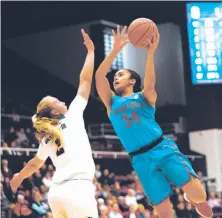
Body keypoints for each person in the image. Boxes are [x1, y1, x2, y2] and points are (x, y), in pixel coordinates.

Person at [95, 25, 213, 218]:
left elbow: (150, 82)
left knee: (200, 195)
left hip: (162, 148)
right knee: (164, 212)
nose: (116, 78)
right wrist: (115, 49)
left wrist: (150, 53)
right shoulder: (111, 103)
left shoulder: (144, 97)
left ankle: (192, 198)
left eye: (121, 75)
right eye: (115, 76)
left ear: (132, 81)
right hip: (140, 158)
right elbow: (99, 76)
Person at [10, 29, 98, 218]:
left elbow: (34, 165)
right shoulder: (72, 115)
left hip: (57, 194)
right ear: (56, 112)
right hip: (78, 189)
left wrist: (17, 178)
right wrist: (91, 52)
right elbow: (85, 81)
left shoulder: (47, 137)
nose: (63, 101)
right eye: (58, 102)